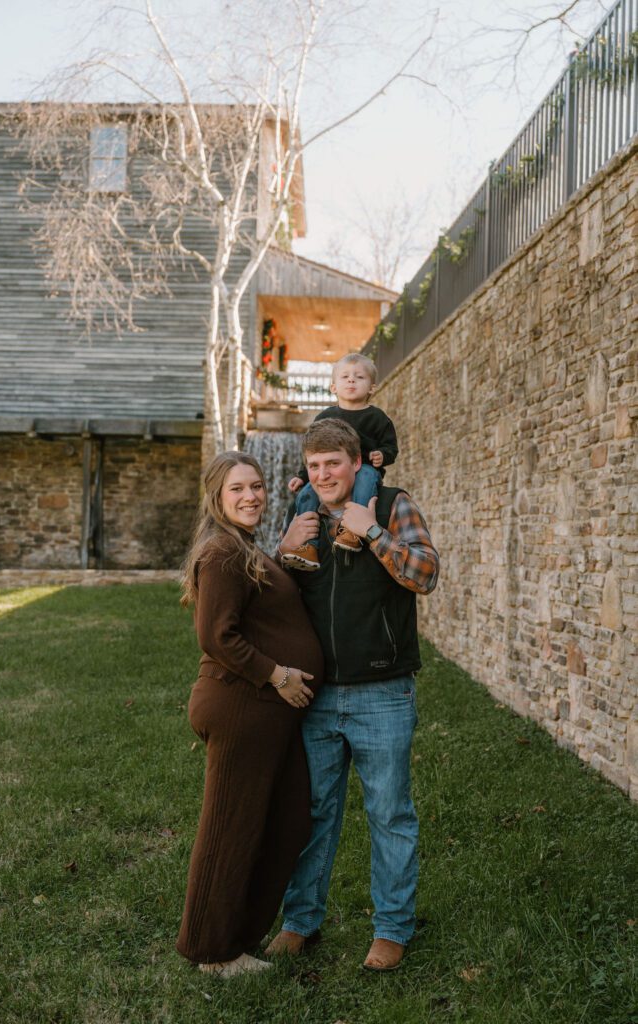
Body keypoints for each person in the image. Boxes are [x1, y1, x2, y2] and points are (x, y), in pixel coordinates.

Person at [266, 418, 439, 972]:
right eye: (314, 467)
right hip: (315, 696)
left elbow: (426, 573)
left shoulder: (391, 505)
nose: (323, 476)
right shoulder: (304, 516)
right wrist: (280, 551)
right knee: (312, 812)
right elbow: (271, 603)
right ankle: (300, 922)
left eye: (333, 465)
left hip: (382, 690)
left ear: (357, 462)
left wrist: (371, 532)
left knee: (389, 813)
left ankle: (391, 928)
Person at [176, 451, 324, 978]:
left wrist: (281, 559)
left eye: (258, 486)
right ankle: (211, 951)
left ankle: (238, 938)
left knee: (288, 822)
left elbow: (261, 606)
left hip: (267, 713)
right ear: (217, 497)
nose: (251, 496)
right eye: (237, 489)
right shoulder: (220, 551)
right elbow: (217, 636)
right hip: (242, 703)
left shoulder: (245, 549)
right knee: (229, 829)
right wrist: (277, 674)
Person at [281, 352, 398, 570]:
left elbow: (391, 446)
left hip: (365, 468)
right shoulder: (325, 416)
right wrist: (302, 475)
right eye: (345, 377)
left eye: (359, 377)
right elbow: (313, 452)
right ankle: (308, 546)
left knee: (364, 480)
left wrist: (382, 455)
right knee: (307, 492)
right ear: (333, 387)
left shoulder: (378, 418)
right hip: (331, 476)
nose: (351, 380)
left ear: (372, 387)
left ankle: (352, 532)